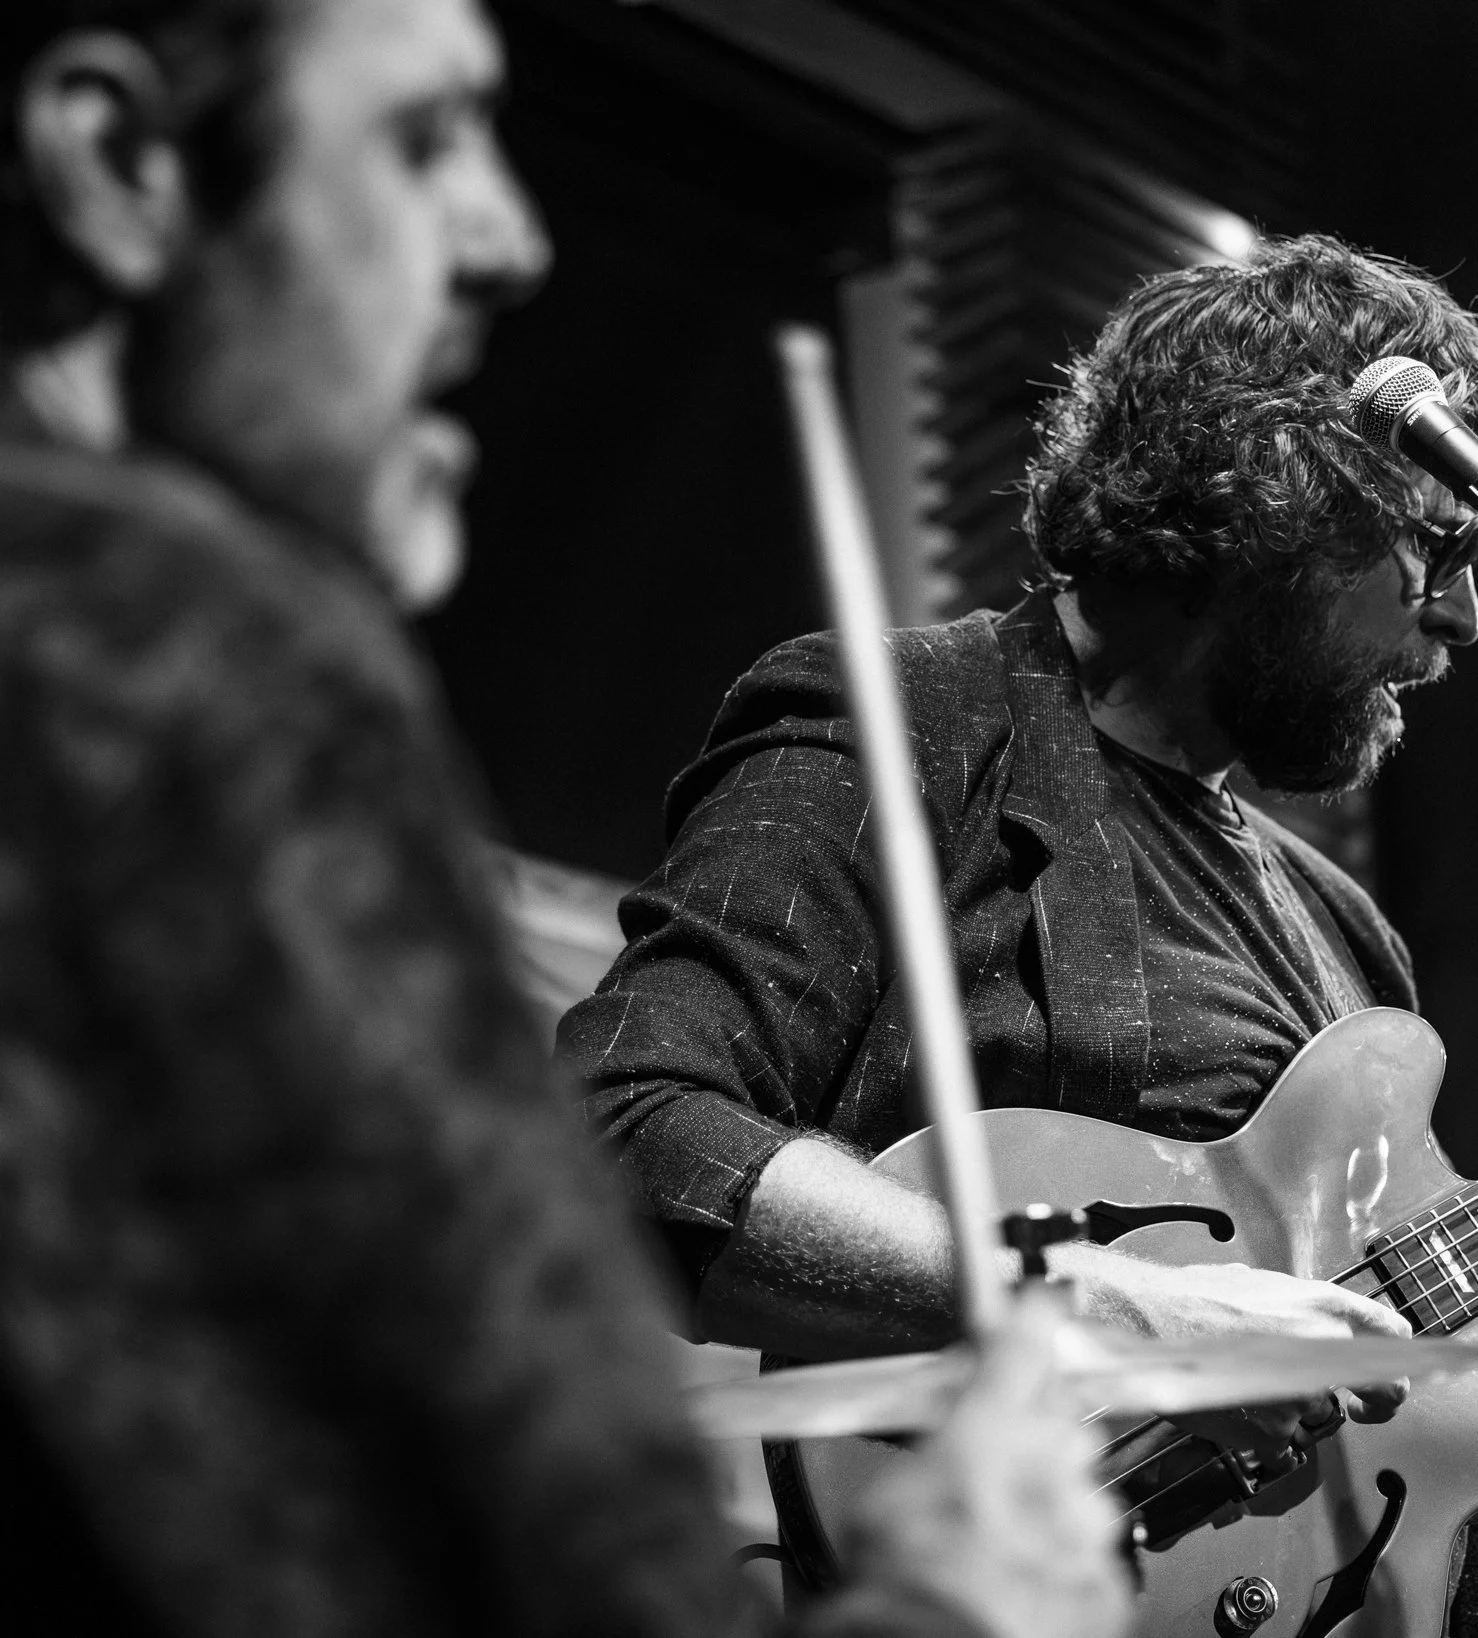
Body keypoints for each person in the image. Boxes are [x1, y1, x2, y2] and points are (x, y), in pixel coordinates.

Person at [557, 235, 1478, 1634]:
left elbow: (1447, 1337)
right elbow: (631, 1129)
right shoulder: (914, 728)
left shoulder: (1341, 930)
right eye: (1434, 553)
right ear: (1273, 496)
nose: (1459, 626)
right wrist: (1122, 1306)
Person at [0, 4, 1133, 1638]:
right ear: (116, 163)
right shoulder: (180, 648)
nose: (508, 240)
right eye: (422, 138)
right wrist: (963, 1604)